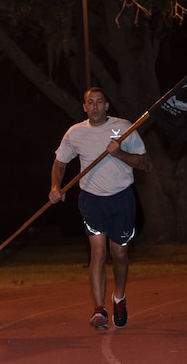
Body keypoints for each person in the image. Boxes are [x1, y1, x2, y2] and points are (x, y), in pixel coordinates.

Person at [49, 87, 149, 330]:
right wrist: (56, 186)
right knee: (97, 253)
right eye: (90, 102)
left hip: (122, 198)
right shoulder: (75, 133)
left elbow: (145, 164)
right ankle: (98, 310)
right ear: (84, 107)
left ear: (106, 105)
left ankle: (119, 298)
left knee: (120, 254)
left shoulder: (124, 127)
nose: (94, 106)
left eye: (99, 102)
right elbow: (60, 163)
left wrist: (120, 153)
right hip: (92, 200)